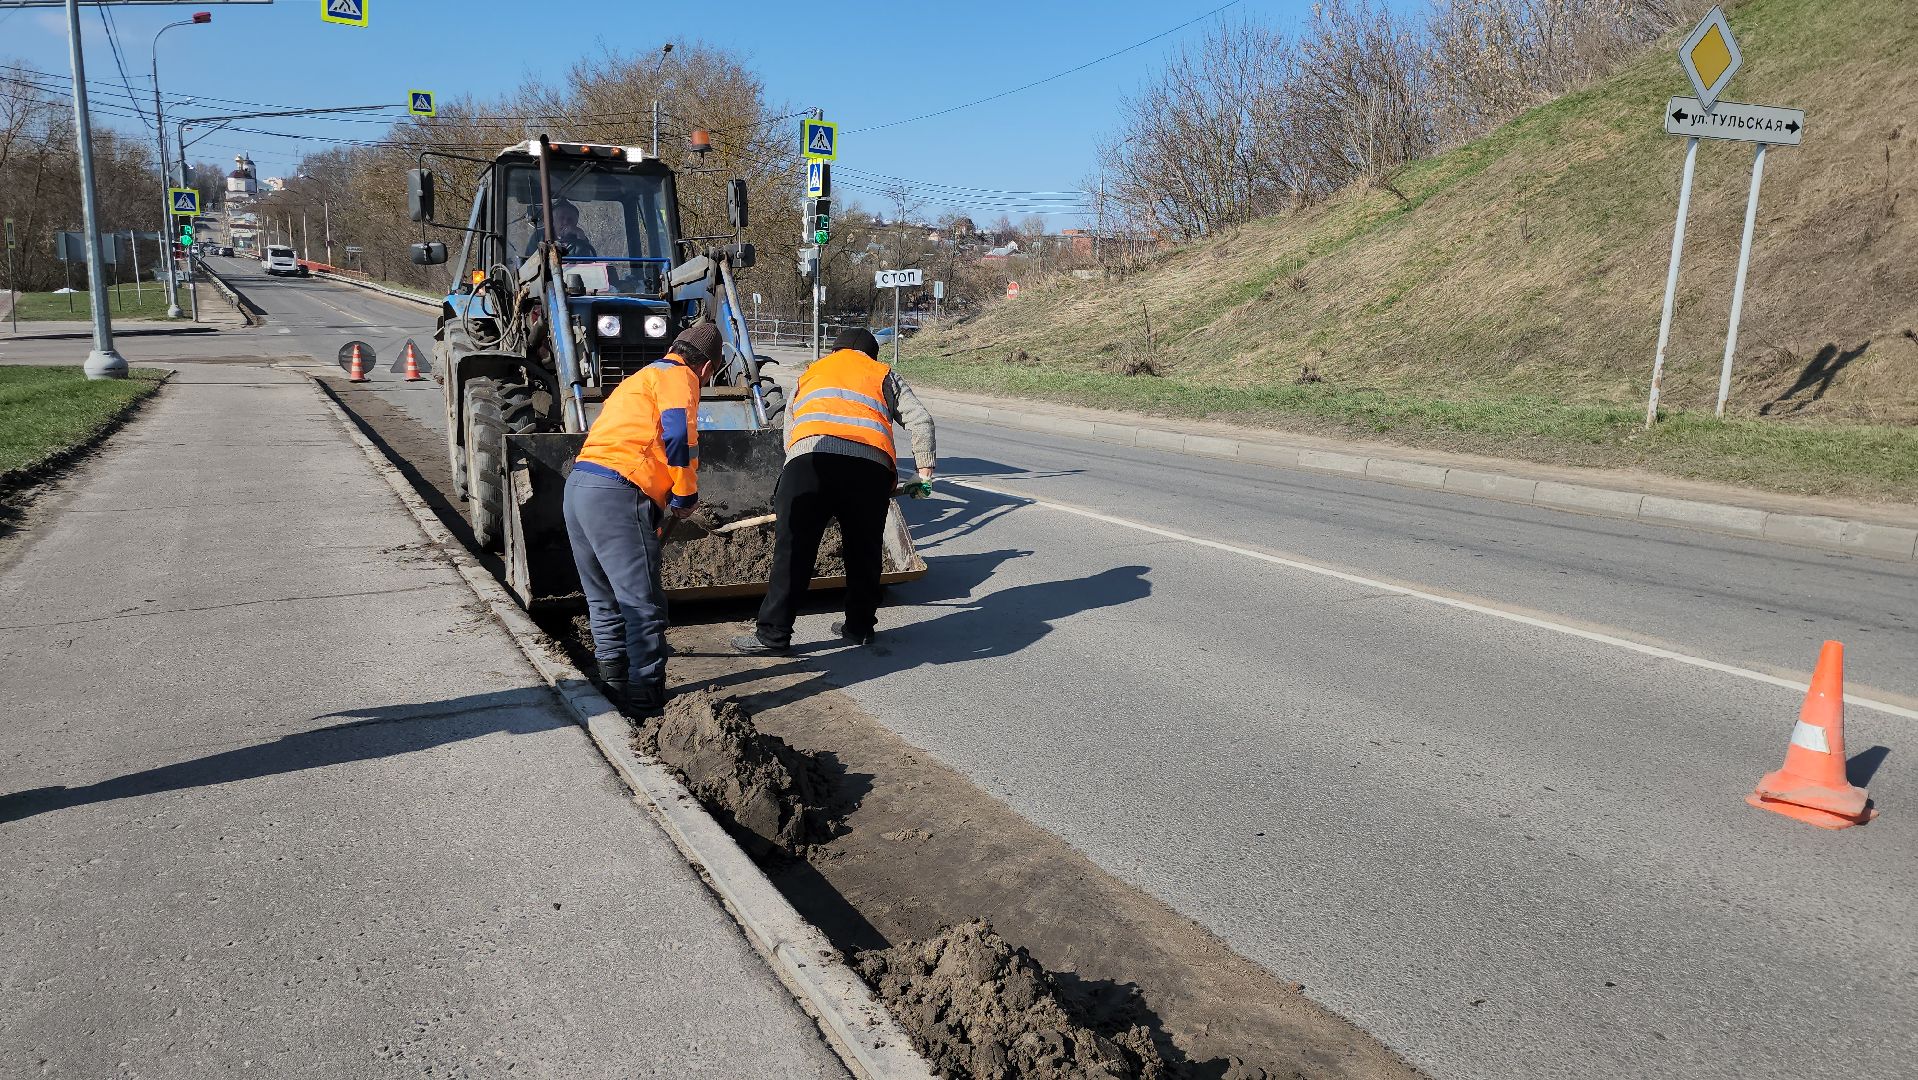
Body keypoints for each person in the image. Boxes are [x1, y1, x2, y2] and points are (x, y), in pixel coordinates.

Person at [733, 327, 936, 655]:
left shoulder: (811, 372)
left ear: (834, 350)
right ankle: (859, 628)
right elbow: (921, 421)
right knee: (864, 551)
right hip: (870, 470)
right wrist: (924, 473)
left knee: (793, 551)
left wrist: (796, 477)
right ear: (872, 354)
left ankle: (773, 635)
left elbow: (791, 430)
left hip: (810, 462)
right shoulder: (883, 374)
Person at [564, 322, 721, 714]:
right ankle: (645, 701)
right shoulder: (680, 377)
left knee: (603, 599)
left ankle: (612, 685)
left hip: (581, 487)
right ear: (706, 368)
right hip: (619, 493)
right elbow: (677, 436)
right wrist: (685, 493)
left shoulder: (641, 376)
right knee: (643, 606)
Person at [523, 199, 596, 259]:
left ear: (575, 223)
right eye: (561, 218)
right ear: (553, 220)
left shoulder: (579, 239)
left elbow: (587, 263)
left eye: (570, 219)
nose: (565, 222)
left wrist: (581, 237)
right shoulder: (540, 236)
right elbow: (529, 263)